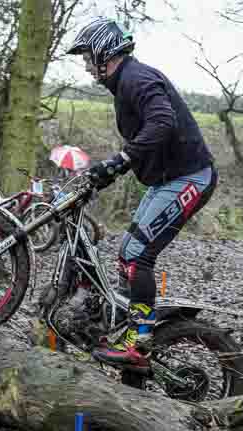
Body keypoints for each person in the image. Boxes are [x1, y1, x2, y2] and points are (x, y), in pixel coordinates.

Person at [66, 18, 217, 369]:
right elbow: (145, 139)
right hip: (167, 179)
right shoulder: (127, 83)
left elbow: (162, 123)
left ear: (106, 52)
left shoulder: (137, 78)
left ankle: (140, 340)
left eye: (89, 58)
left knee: (136, 257)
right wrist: (110, 172)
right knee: (126, 254)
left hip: (190, 177)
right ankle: (129, 325)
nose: (87, 66)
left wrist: (120, 159)